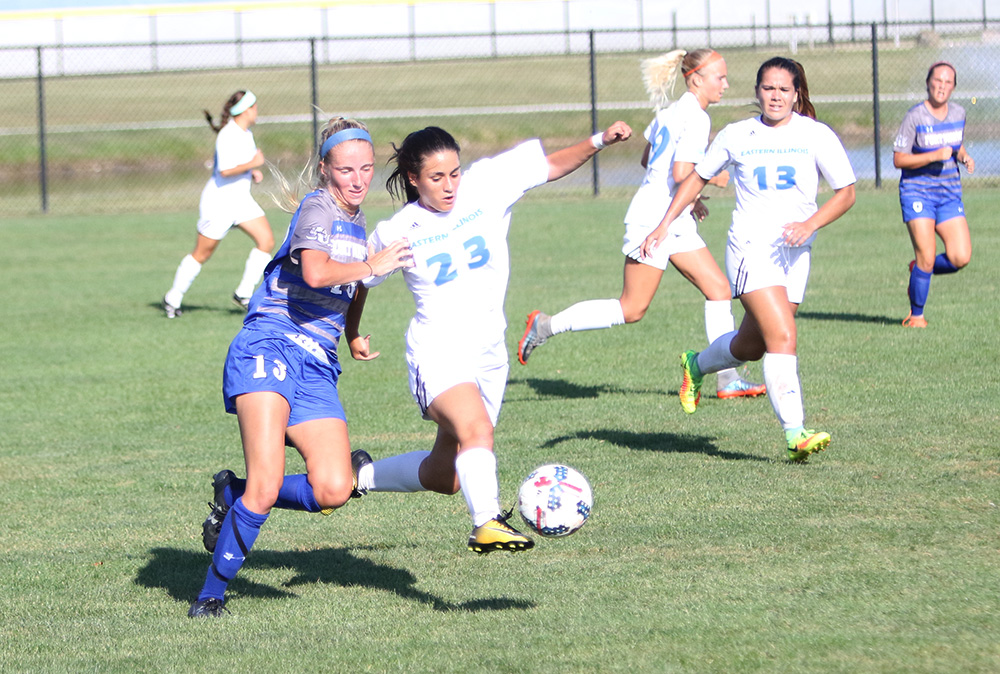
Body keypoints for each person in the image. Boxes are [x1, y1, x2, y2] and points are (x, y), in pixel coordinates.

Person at [357, 121, 631, 554]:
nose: (449, 186)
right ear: (413, 179)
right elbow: (359, 277)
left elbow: (550, 166)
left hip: (488, 355)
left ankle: (358, 477)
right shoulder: (398, 230)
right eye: (436, 177)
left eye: (454, 173)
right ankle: (486, 522)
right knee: (477, 429)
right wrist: (353, 330)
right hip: (438, 353)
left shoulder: (485, 185)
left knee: (444, 476)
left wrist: (599, 141)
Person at [187, 118, 413, 617]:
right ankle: (210, 595)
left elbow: (349, 283)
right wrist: (374, 265)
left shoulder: (355, 222)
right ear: (327, 168)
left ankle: (234, 492)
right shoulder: (317, 207)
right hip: (269, 343)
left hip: (317, 362)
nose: (358, 179)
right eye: (346, 169)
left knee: (334, 488)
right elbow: (315, 271)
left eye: (367, 169)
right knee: (268, 484)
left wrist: (351, 331)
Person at [640, 57, 856, 461]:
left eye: (783, 89)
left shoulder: (815, 134)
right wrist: (664, 224)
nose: (775, 96)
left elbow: (846, 192)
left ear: (797, 94)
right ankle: (796, 433)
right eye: (768, 88)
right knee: (783, 336)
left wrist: (810, 224)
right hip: (751, 248)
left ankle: (697, 364)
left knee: (752, 345)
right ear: (757, 91)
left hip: (796, 252)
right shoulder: (737, 134)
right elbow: (696, 178)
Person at [517, 49, 765, 401]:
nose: (725, 84)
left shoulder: (670, 113)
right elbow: (681, 173)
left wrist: (688, 199)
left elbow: (648, 158)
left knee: (718, 289)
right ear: (696, 79)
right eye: (719, 77)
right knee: (631, 309)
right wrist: (716, 178)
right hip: (653, 222)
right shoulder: (696, 118)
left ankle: (727, 378)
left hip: (669, 217)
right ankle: (546, 325)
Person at [164, 90, 275, 318]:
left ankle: (243, 294)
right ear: (244, 110)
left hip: (241, 201)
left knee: (266, 241)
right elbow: (225, 170)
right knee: (201, 254)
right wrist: (253, 163)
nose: (256, 111)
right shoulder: (228, 134)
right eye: (253, 107)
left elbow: (238, 164)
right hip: (220, 203)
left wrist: (252, 171)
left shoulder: (246, 133)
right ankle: (172, 298)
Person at [893, 61, 974, 328]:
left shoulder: (959, 113)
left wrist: (963, 156)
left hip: (949, 194)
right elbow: (898, 159)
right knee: (927, 255)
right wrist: (932, 156)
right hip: (918, 193)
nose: (941, 86)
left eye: (947, 82)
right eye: (937, 80)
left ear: (953, 87)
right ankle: (916, 316)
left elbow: (956, 145)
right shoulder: (914, 117)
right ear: (928, 83)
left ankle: (919, 270)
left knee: (960, 256)